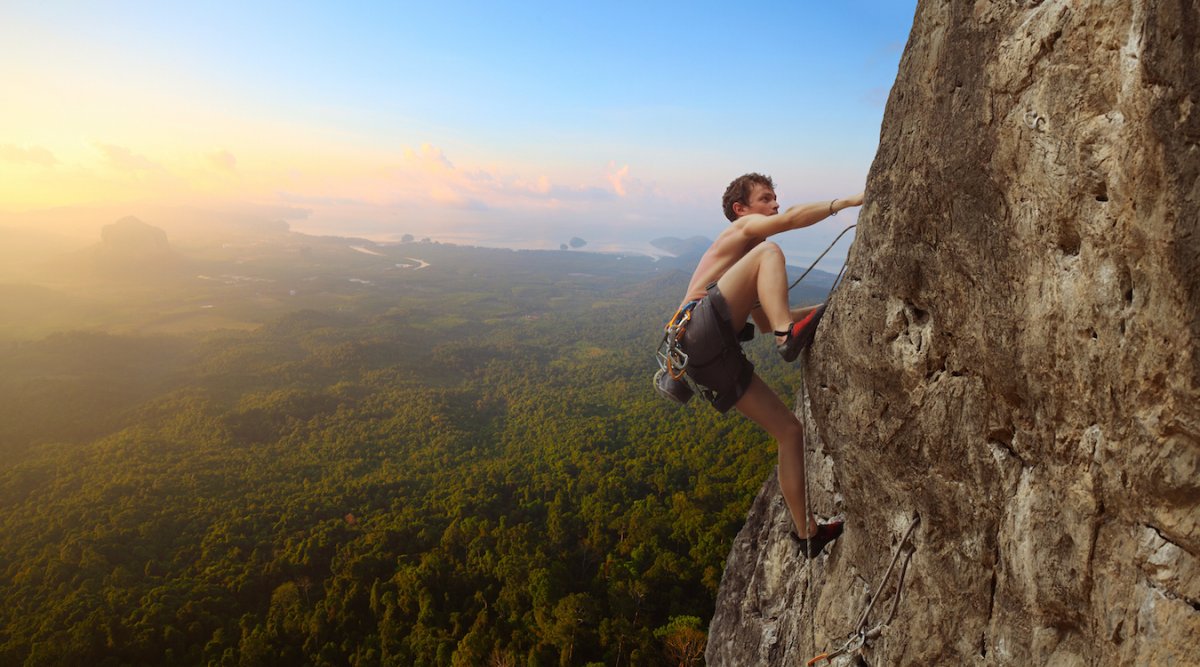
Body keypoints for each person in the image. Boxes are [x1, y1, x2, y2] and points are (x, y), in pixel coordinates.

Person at [674, 172, 863, 557]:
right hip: (697, 330)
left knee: (790, 432)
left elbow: (764, 321)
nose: (775, 204)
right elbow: (791, 220)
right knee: (771, 250)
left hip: (705, 357)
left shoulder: (746, 270)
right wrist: (846, 203)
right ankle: (788, 336)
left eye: (776, 198)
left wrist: (834, 305)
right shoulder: (742, 233)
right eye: (766, 199)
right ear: (741, 209)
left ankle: (805, 532)